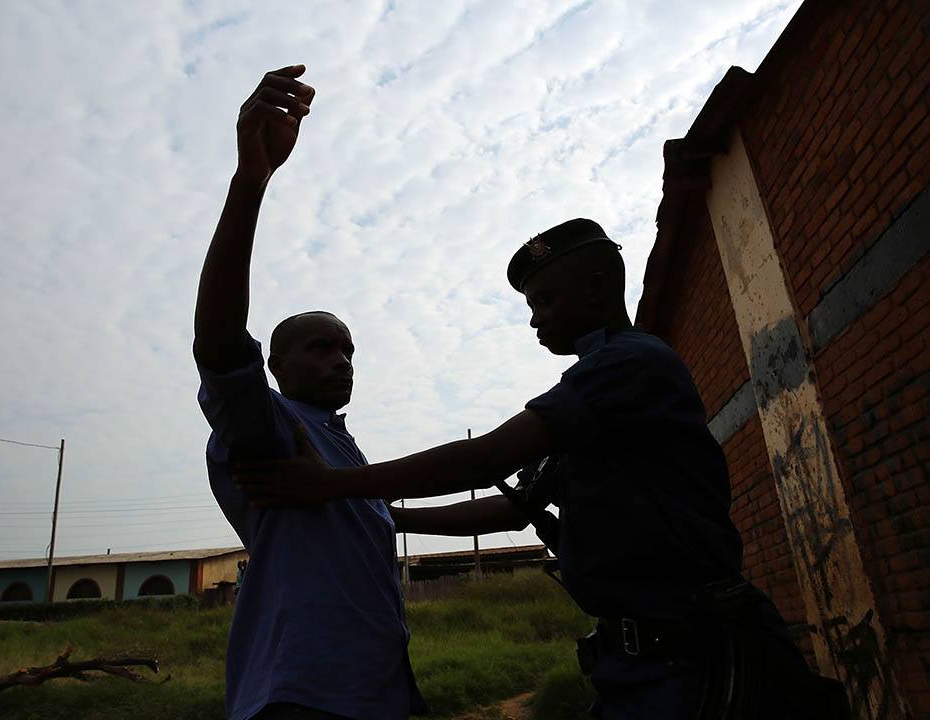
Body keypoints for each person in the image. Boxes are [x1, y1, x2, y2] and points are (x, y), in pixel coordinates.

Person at [235, 219, 849, 718]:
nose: (535, 319)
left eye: (545, 300)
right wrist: (381, 517)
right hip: (636, 661)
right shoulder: (594, 393)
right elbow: (513, 504)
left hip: (692, 656)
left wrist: (334, 486)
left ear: (598, 289)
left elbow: (490, 458)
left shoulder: (628, 366)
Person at [193, 65, 424, 720]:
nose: (340, 360)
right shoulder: (271, 427)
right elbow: (217, 346)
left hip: (376, 696)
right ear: (278, 363)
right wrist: (251, 182)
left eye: (347, 349)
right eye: (321, 347)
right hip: (304, 699)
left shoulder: (340, 449)